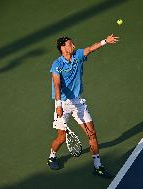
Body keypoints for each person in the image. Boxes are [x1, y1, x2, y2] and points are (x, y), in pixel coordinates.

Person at [47, 34, 119, 178]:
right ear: (63, 48)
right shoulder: (57, 64)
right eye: (70, 44)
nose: (73, 46)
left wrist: (105, 41)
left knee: (92, 133)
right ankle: (52, 156)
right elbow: (57, 84)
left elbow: (90, 49)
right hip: (63, 104)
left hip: (78, 102)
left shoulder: (78, 55)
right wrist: (58, 105)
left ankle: (98, 166)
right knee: (61, 138)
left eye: (73, 44)